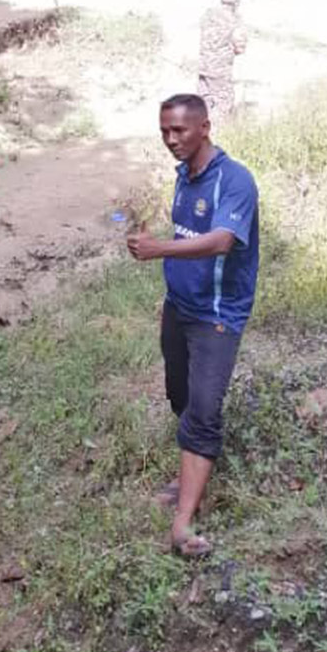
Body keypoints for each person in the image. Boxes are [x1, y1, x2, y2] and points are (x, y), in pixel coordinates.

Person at [127, 94, 259, 557]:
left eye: (180, 130)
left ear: (205, 127)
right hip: (179, 307)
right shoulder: (184, 175)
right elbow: (187, 234)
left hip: (216, 317)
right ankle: (190, 472)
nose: (170, 139)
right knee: (178, 395)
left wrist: (158, 249)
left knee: (203, 411)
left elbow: (222, 241)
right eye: (164, 130)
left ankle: (183, 524)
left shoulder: (235, 180)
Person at [198, 0, 247, 119]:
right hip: (220, 70)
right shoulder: (235, 20)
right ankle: (219, 132)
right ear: (236, 3)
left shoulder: (208, 14)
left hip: (203, 66)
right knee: (223, 102)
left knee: (203, 101)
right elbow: (240, 48)